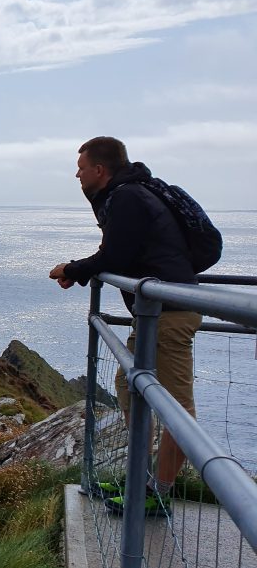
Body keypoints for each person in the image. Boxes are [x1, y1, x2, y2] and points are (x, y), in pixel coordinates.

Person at [49, 136, 202, 517]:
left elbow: (117, 253)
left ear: (99, 170)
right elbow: (122, 252)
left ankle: (158, 493)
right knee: (129, 385)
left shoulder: (128, 197)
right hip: (154, 313)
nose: (77, 174)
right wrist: (81, 271)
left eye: (81, 168)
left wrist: (72, 269)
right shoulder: (126, 195)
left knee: (176, 409)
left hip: (170, 313)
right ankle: (141, 479)